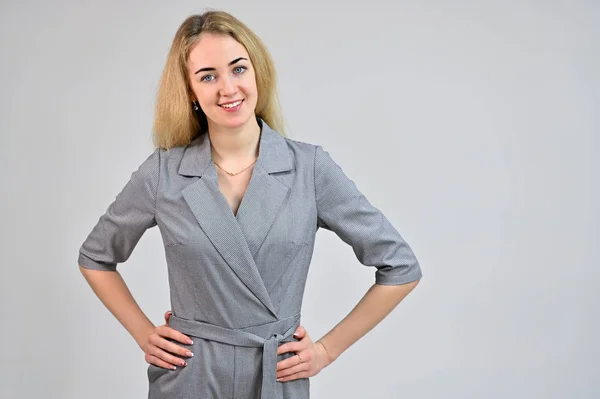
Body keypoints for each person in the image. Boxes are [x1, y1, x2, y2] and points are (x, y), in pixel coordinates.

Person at [77, 9, 422, 399]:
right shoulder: (164, 173)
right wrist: (144, 333)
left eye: (238, 69)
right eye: (208, 76)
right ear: (190, 91)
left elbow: (401, 266)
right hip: (190, 377)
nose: (228, 88)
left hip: (275, 374)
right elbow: (96, 257)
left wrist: (325, 350)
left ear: (257, 72)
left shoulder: (308, 168)